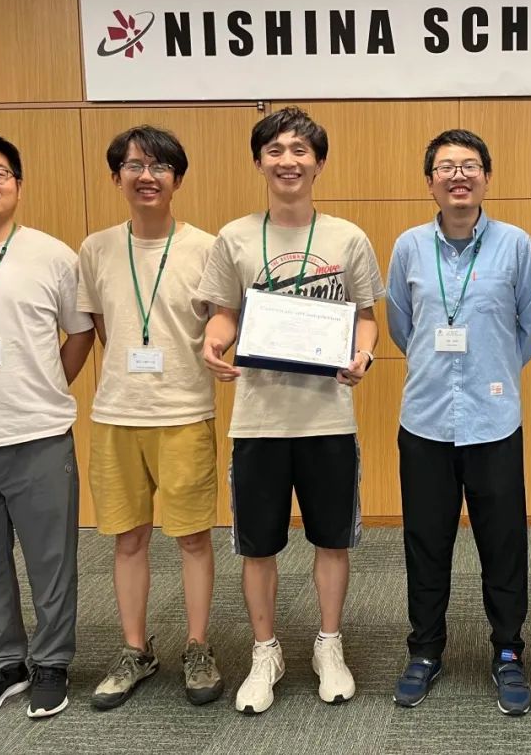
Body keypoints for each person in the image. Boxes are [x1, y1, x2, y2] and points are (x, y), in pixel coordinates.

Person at [197, 107, 384, 714]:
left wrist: (363, 355)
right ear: (259, 161)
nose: (288, 160)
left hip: (327, 417)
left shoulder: (347, 237)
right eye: (275, 150)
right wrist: (214, 342)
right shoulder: (235, 237)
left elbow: (366, 316)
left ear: (319, 163)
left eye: (300, 150)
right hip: (259, 418)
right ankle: (265, 651)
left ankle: (329, 645)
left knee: (333, 540)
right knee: (258, 546)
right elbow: (223, 311)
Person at [386, 129, 531, 715]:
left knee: (502, 544)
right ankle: (425, 650)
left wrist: (493, 370)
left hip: (493, 422)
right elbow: (401, 327)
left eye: (470, 165)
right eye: (447, 167)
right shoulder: (408, 247)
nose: (459, 175)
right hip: (425, 420)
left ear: (486, 177)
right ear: (429, 181)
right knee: (425, 542)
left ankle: (508, 650)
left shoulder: (516, 245)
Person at [0, 131, 95, 721]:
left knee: (51, 560)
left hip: (38, 436)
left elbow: (81, 331)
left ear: (18, 186)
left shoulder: (53, 256)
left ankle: (52, 662)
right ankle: (4, 663)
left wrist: (51, 384)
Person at [78, 126, 223, 709]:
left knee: (192, 537)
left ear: (177, 179)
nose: (147, 176)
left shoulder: (206, 248)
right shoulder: (95, 248)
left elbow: (221, 323)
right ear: (117, 177)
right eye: (134, 165)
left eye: (160, 166)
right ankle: (135, 649)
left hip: (184, 411)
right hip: (116, 413)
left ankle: (198, 646)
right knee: (129, 537)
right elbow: (102, 328)